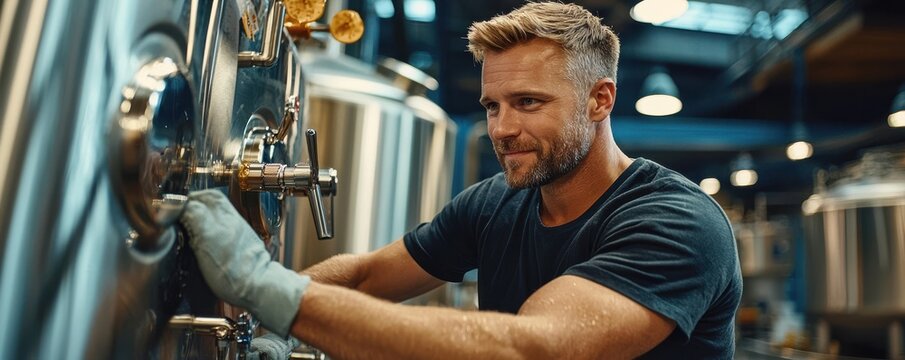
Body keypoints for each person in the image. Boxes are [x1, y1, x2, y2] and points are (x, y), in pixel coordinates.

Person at [181, 2, 742, 359]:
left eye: (527, 102)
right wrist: (256, 323)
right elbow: (372, 274)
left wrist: (274, 291)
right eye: (492, 106)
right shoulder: (497, 203)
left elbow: (532, 349)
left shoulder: (677, 223)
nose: (502, 128)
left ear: (600, 100)